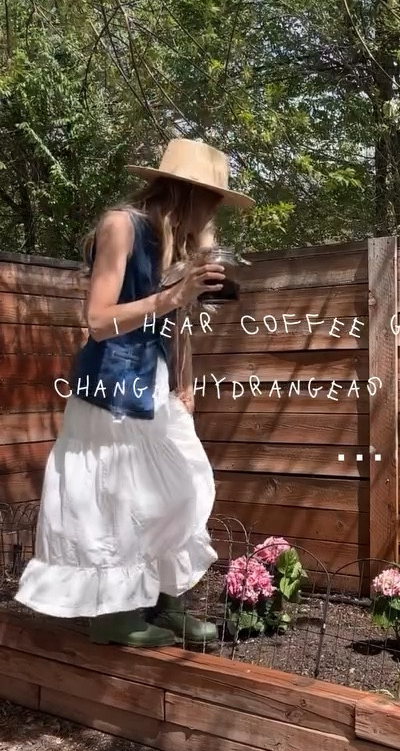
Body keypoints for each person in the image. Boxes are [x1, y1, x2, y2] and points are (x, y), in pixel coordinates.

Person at [15, 137, 253, 648]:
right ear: (184, 192)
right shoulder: (120, 226)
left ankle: (168, 603)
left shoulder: (183, 243)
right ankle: (116, 617)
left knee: (182, 487)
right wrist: (176, 292)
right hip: (112, 386)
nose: (215, 211)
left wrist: (186, 381)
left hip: (157, 384)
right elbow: (98, 320)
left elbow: (177, 324)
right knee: (117, 497)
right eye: (212, 199)